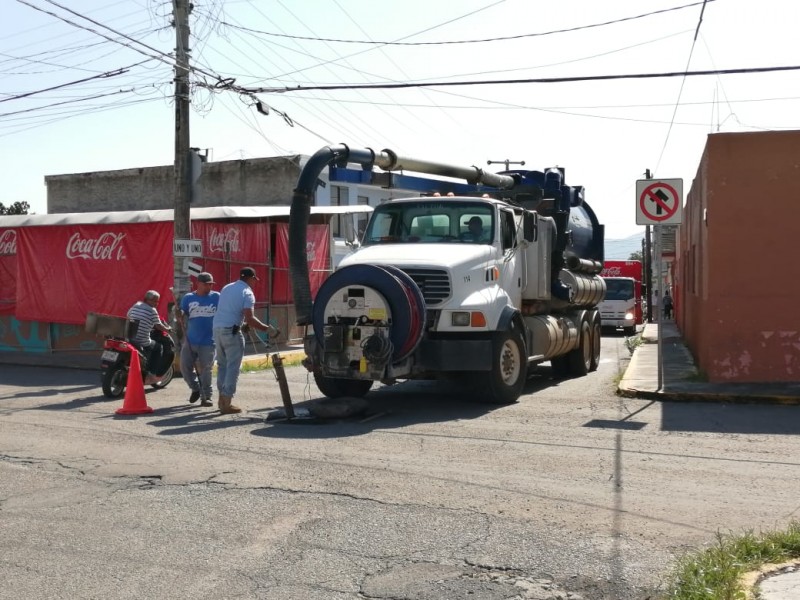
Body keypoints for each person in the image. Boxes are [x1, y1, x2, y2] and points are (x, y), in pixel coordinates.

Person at [212, 267, 277, 414]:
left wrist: (243, 323)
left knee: (222, 365)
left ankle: (221, 400)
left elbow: (230, 310)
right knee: (233, 367)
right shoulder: (247, 293)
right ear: (251, 278)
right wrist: (268, 329)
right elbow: (250, 318)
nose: (255, 282)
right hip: (232, 332)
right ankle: (227, 402)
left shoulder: (227, 287)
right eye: (255, 279)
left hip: (217, 329)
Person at [179, 272, 219, 407]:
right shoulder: (188, 298)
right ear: (199, 284)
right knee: (184, 366)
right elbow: (182, 312)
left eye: (211, 284)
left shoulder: (217, 297)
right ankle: (195, 388)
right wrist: (179, 314)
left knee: (206, 369)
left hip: (209, 341)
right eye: (206, 284)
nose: (209, 286)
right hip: (191, 339)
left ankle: (206, 396)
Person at [127, 290, 172, 384]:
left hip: (129, 337)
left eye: (157, 301)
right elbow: (158, 325)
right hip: (141, 340)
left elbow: (128, 316)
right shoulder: (152, 310)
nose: (156, 303)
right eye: (154, 301)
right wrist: (168, 329)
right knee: (159, 347)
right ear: (147, 300)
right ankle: (151, 373)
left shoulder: (136, 305)